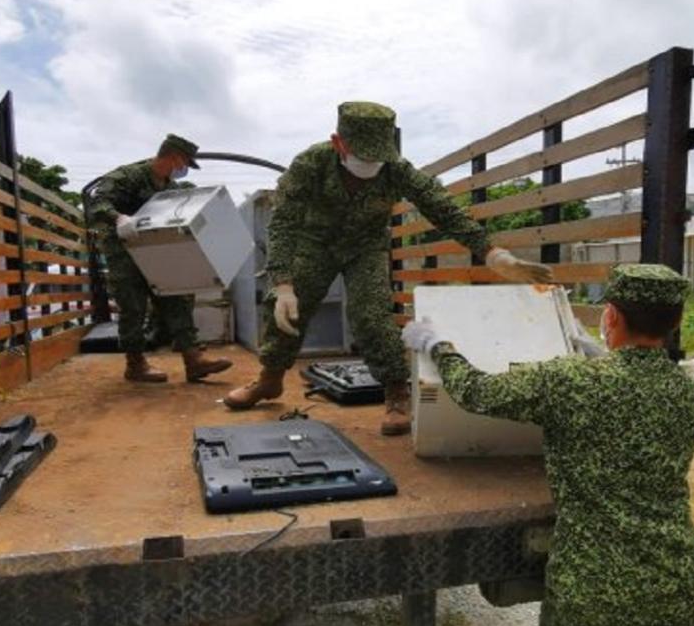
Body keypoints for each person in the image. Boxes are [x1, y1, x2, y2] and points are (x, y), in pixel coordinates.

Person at [402, 264, 694, 626]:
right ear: (675, 321)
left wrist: (438, 346)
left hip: (593, 583)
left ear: (612, 317)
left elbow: (477, 391)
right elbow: (640, 403)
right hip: (677, 578)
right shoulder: (692, 397)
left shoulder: (569, 382)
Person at [223, 101, 552, 435]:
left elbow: (442, 208)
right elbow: (283, 222)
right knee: (288, 308)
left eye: (377, 158)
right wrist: (282, 282)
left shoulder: (396, 168)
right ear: (339, 144)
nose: (371, 165)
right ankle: (269, 379)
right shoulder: (310, 163)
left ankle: (397, 393)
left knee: (372, 314)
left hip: (364, 246)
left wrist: (492, 253)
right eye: (363, 156)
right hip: (314, 243)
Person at [86, 134, 232, 383]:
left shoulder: (170, 188)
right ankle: (135, 365)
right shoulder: (127, 176)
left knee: (176, 298)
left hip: (157, 249)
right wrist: (118, 218)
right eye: (184, 163)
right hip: (122, 250)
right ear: (174, 157)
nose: (183, 170)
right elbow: (97, 204)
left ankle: (193, 360)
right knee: (133, 306)